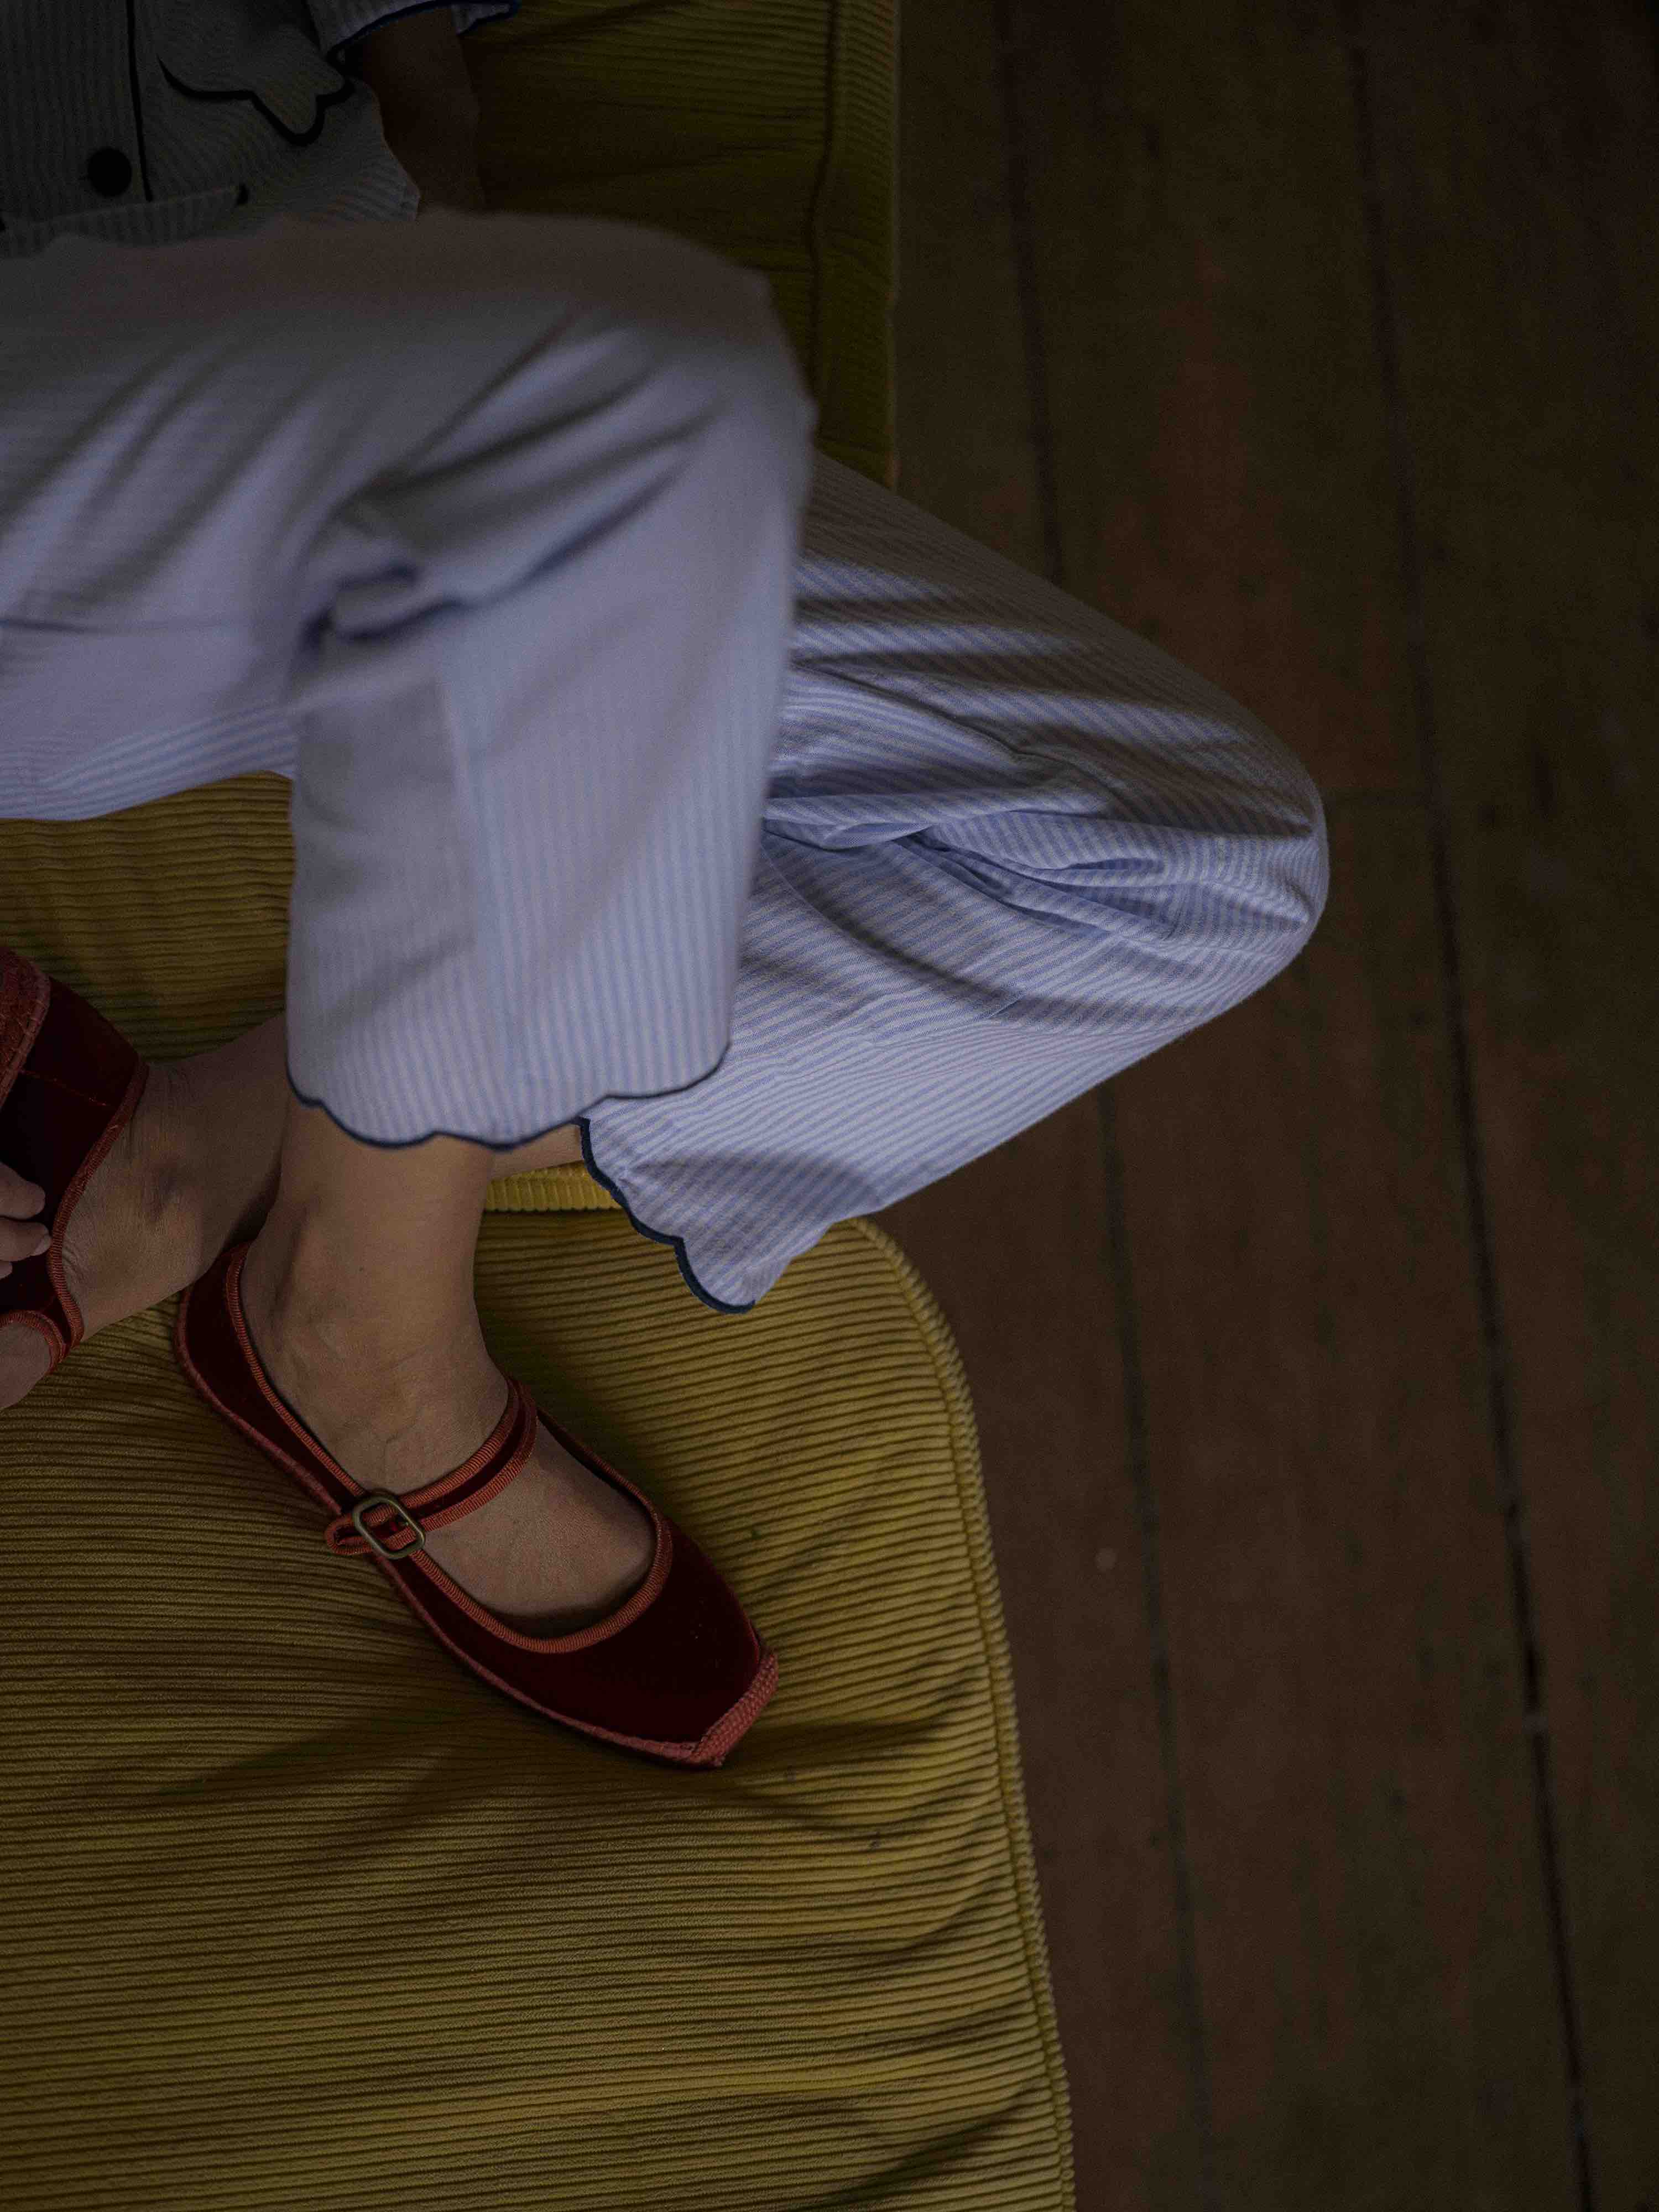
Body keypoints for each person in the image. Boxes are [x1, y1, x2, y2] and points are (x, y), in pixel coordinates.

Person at [0, 2, 1329, 1636]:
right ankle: (365, 1336)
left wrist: (432, 129)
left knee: (1202, 867)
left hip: (343, 314)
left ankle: (198, 1161)